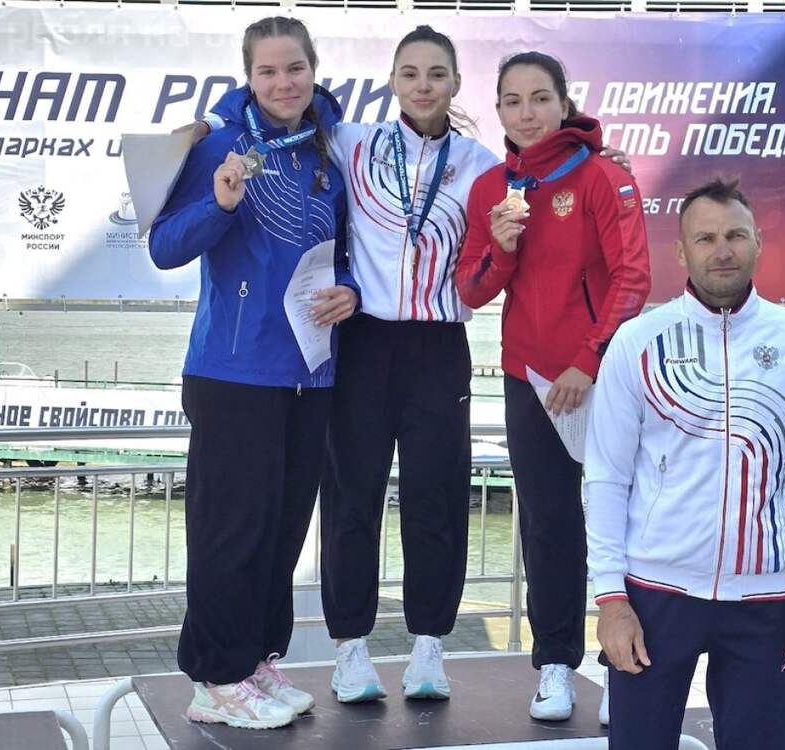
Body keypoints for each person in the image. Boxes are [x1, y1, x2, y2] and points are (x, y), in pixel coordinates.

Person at [195, 26, 634, 705]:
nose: (423, 85)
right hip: (363, 342)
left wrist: (602, 159)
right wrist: (216, 119)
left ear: (456, 84)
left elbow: (541, 192)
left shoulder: (484, 166)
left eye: (436, 74)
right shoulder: (352, 143)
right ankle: (350, 651)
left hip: (439, 348)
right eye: (410, 73)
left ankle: (429, 649)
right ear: (393, 82)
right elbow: (283, 110)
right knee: (352, 500)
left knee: (437, 500)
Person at [585, 177, 785, 749]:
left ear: (758, 242)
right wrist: (610, 598)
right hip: (653, 595)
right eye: (704, 238)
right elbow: (606, 477)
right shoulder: (637, 342)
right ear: (681, 252)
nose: (722, 249)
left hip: (766, 602)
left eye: (735, 235)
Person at [148, 16, 359, 729]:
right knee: (230, 531)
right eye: (268, 71)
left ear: (313, 69)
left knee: (281, 530)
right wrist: (220, 203)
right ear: (248, 76)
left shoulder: (330, 146)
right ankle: (215, 677)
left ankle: (257, 658)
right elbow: (164, 246)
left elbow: (348, 250)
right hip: (234, 372)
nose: (283, 82)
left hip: (310, 370)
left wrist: (350, 289)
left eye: (294, 68)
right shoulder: (216, 144)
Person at [457, 51, 650, 722]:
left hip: (603, 378)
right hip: (528, 379)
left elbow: (633, 278)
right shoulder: (491, 190)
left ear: (564, 105)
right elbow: (471, 290)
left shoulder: (603, 176)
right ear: (499, 111)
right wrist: (503, 246)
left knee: (622, 521)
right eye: (512, 101)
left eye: (540, 98)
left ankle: (627, 669)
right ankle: (556, 666)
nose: (527, 113)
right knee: (547, 525)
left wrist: (589, 361)